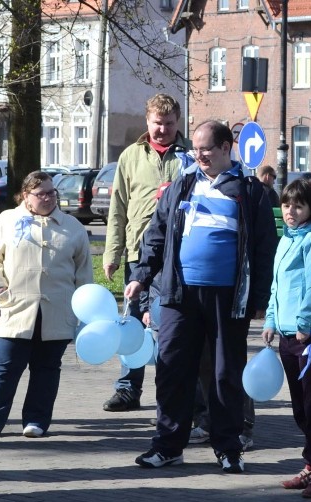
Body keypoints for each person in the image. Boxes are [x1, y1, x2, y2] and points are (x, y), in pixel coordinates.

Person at [124, 120, 277, 473]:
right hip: (179, 294)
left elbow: (265, 248)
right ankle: (167, 445)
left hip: (227, 298)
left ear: (226, 148)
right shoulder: (184, 184)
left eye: (206, 148)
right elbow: (156, 233)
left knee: (225, 373)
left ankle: (228, 447)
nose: (200, 155)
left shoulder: (250, 191)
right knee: (172, 368)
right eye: (196, 148)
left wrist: (259, 297)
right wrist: (142, 278)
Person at [0, 170, 93, 439]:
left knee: (47, 369)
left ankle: (36, 420)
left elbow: (84, 270)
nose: (49, 198)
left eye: (53, 193)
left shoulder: (72, 227)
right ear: (26, 196)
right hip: (13, 307)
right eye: (42, 194)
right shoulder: (6, 220)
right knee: (5, 366)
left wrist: (84, 305)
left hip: (56, 309)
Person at [102, 94, 190, 412]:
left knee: (169, 326)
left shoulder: (189, 157)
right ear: (147, 122)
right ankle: (128, 388)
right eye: (157, 123)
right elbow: (118, 209)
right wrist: (112, 253)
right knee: (133, 323)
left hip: (179, 256)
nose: (162, 129)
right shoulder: (130, 157)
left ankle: (169, 394)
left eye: (168, 124)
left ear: (177, 123)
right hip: (137, 256)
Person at [263, 178, 311, 498]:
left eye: (298, 205)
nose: (291, 211)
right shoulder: (287, 239)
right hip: (287, 335)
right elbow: (276, 286)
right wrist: (271, 319)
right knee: (300, 406)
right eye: (286, 204)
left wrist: (305, 323)